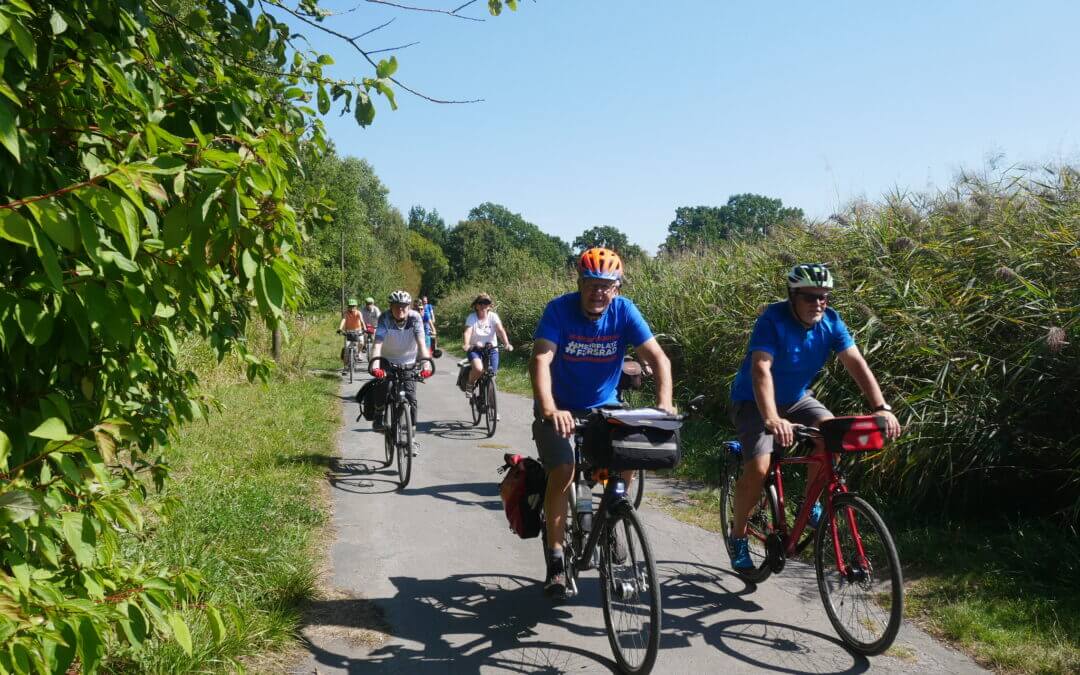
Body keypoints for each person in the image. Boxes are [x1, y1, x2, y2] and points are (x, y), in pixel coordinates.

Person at [726, 263, 902, 570]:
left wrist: (881, 407)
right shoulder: (773, 319)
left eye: (824, 297)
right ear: (792, 296)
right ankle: (738, 536)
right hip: (754, 402)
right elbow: (761, 369)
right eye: (810, 297)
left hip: (796, 399)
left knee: (832, 436)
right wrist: (771, 418)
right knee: (759, 467)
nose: (818, 304)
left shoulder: (831, 323)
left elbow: (855, 362)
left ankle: (808, 507)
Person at [530, 247, 674, 599]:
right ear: (579, 284)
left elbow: (657, 357)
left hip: (604, 406)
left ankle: (611, 515)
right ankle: (557, 557)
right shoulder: (559, 310)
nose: (598, 292)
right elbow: (541, 359)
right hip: (560, 408)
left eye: (606, 285)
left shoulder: (624, 312)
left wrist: (664, 405)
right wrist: (550, 409)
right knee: (564, 469)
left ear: (617, 288)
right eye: (591, 284)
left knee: (629, 455)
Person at [370, 290, 433, 450]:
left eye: (404, 306)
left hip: (408, 362)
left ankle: (411, 438)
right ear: (391, 306)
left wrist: (426, 364)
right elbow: (377, 344)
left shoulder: (415, 318)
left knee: (411, 400)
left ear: (409, 306)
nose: (400, 310)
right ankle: (379, 414)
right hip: (386, 359)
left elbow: (421, 343)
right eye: (397, 306)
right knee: (382, 386)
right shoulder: (385, 318)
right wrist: (375, 365)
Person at [462, 293, 513, 393]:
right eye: (481, 303)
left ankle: (489, 400)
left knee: (492, 374)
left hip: (491, 349)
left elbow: (500, 330)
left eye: (487, 303)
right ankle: (470, 383)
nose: (483, 305)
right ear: (476, 305)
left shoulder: (493, 317)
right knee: (478, 369)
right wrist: (467, 344)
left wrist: (506, 343)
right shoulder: (472, 317)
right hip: (475, 349)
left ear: (490, 305)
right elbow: (468, 331)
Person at [337, 298, 364, 373]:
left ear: (356, 306)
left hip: (358, 330)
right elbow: (343, 320)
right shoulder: (346, 313)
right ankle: (345, 367)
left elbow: (362, 321)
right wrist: (340, 328)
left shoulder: (358, 313)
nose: (352, 308)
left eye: (353, 306)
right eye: (350, 306)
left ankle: (358, 353)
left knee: (361, 342)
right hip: (348, 331)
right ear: (348, 306)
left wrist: (364, 329)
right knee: (346, 348)